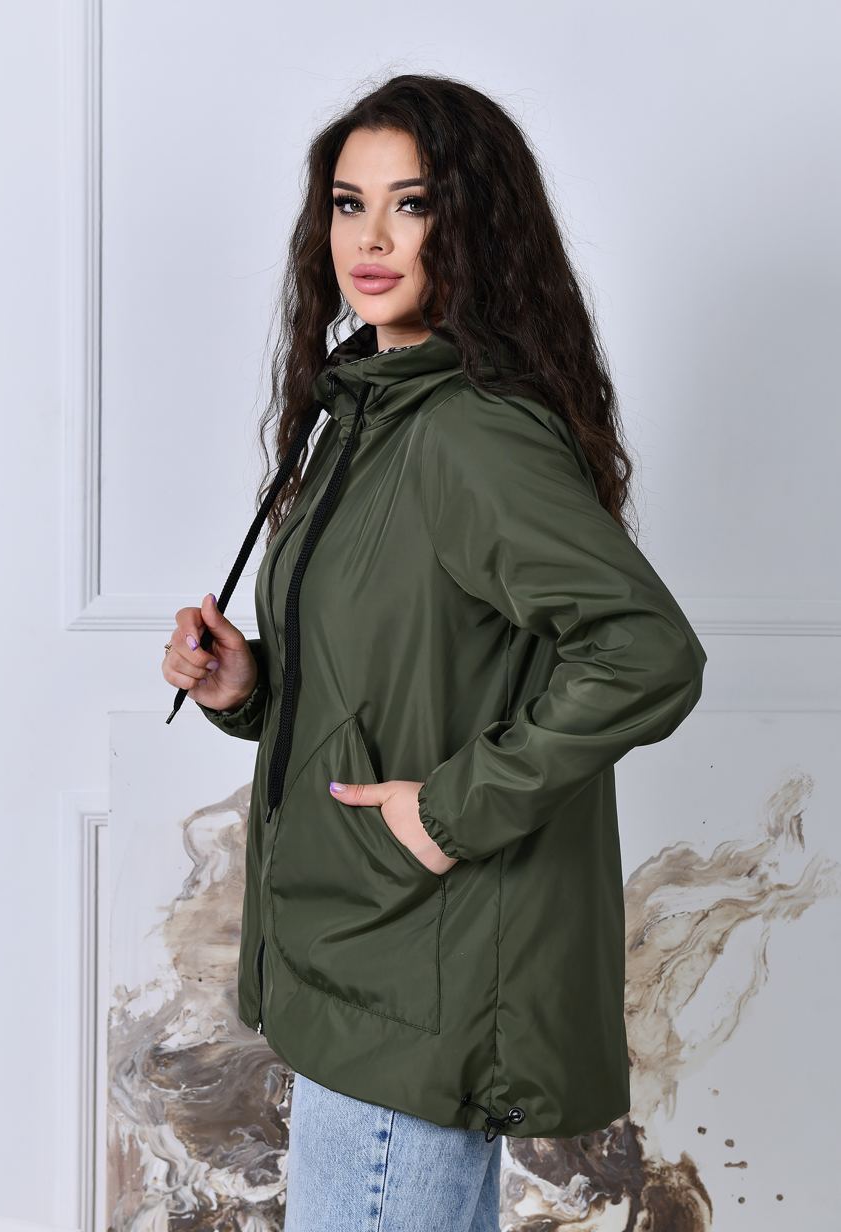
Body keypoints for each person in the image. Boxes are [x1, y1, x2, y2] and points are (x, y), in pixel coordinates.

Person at [162, 74, 707, 1231]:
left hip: (416, 982)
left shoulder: (467, 431)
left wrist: (452, 809)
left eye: (409, 204)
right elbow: (397, 670)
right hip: (360, 966)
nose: (370, 237)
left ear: (471, 225)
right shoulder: (364, 415)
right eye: (348, 203)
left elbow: (645, 650)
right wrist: (247, 686)